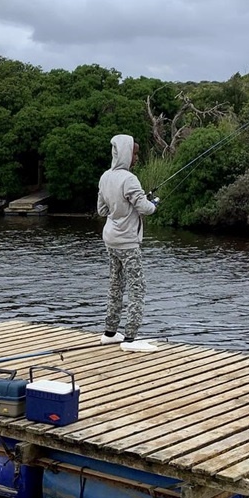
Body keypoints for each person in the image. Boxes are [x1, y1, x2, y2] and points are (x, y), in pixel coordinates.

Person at [97, 134, 158, 352]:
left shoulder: (105, 177)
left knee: (115, 285)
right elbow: (146, 209)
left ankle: (110, 333)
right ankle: (131, 339)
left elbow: (102, 210)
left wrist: (122, 207)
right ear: (125, 153)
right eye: (135, 153)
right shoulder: (129, 179)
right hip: (128, 242)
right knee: (137, 288)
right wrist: (153, 204)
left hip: (110, 239)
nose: (137, 158)